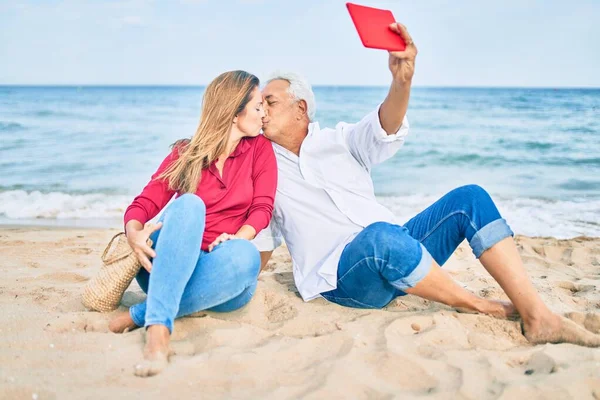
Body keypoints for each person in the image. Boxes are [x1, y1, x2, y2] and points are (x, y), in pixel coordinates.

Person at [254, 23, 600, 347]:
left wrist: (402, 81)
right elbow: (262, 233)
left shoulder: (340, 140)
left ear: (301, 108)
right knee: (379, 236)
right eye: (260, 105)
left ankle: (536, 314)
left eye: (270, 102)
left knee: (470, 198)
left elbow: (384, 125)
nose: (263, 111)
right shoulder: (264, 166)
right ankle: (477, 304)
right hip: (342, 280)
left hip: (400, 256)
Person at [108, 70, 278, 377]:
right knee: (189, 204)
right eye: (256, 106)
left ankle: (140, 314)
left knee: (247, 257)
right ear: (233, 112)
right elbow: (144, 203)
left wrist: (237, 238)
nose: (263, 113)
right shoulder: (185, 153)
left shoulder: (259, 149)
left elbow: (262, 208)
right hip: (166, 266)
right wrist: (134, 235)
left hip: (222, 272)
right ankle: (158, 333)